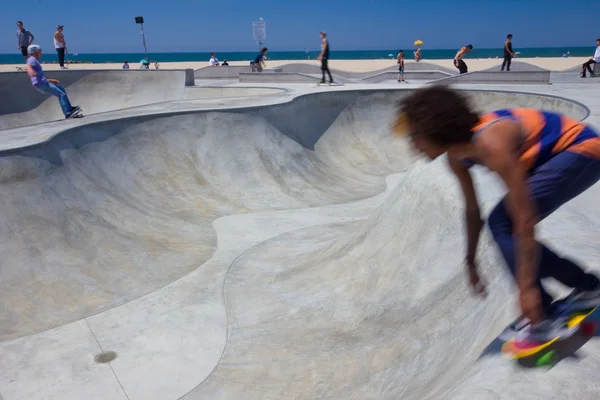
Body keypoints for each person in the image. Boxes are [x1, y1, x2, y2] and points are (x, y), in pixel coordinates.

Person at [393, 85, 600, 343]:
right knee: (500, 224)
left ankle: (547, 313)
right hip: (555, 157)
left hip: (582, 148)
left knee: (504, 222)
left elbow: (525, 219)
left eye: (415, 137)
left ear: (435, 129)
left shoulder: (491, 143)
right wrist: (470, 261)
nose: (414, 146)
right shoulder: (456, 158)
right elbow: (472, 210)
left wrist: (526, 290)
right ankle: (587, 285)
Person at [26, 45, 80, 119]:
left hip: (43, 83)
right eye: (40, 52)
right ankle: (67, 112)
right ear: (35, 52)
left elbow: (40, 77)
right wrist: (30, 71)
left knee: (61, 89)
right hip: (40, 84)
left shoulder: (35, 61)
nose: (41, 53)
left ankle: (69, 108)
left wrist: (51, 80)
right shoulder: (32, 59)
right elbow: (28, 66)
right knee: (61, 94)